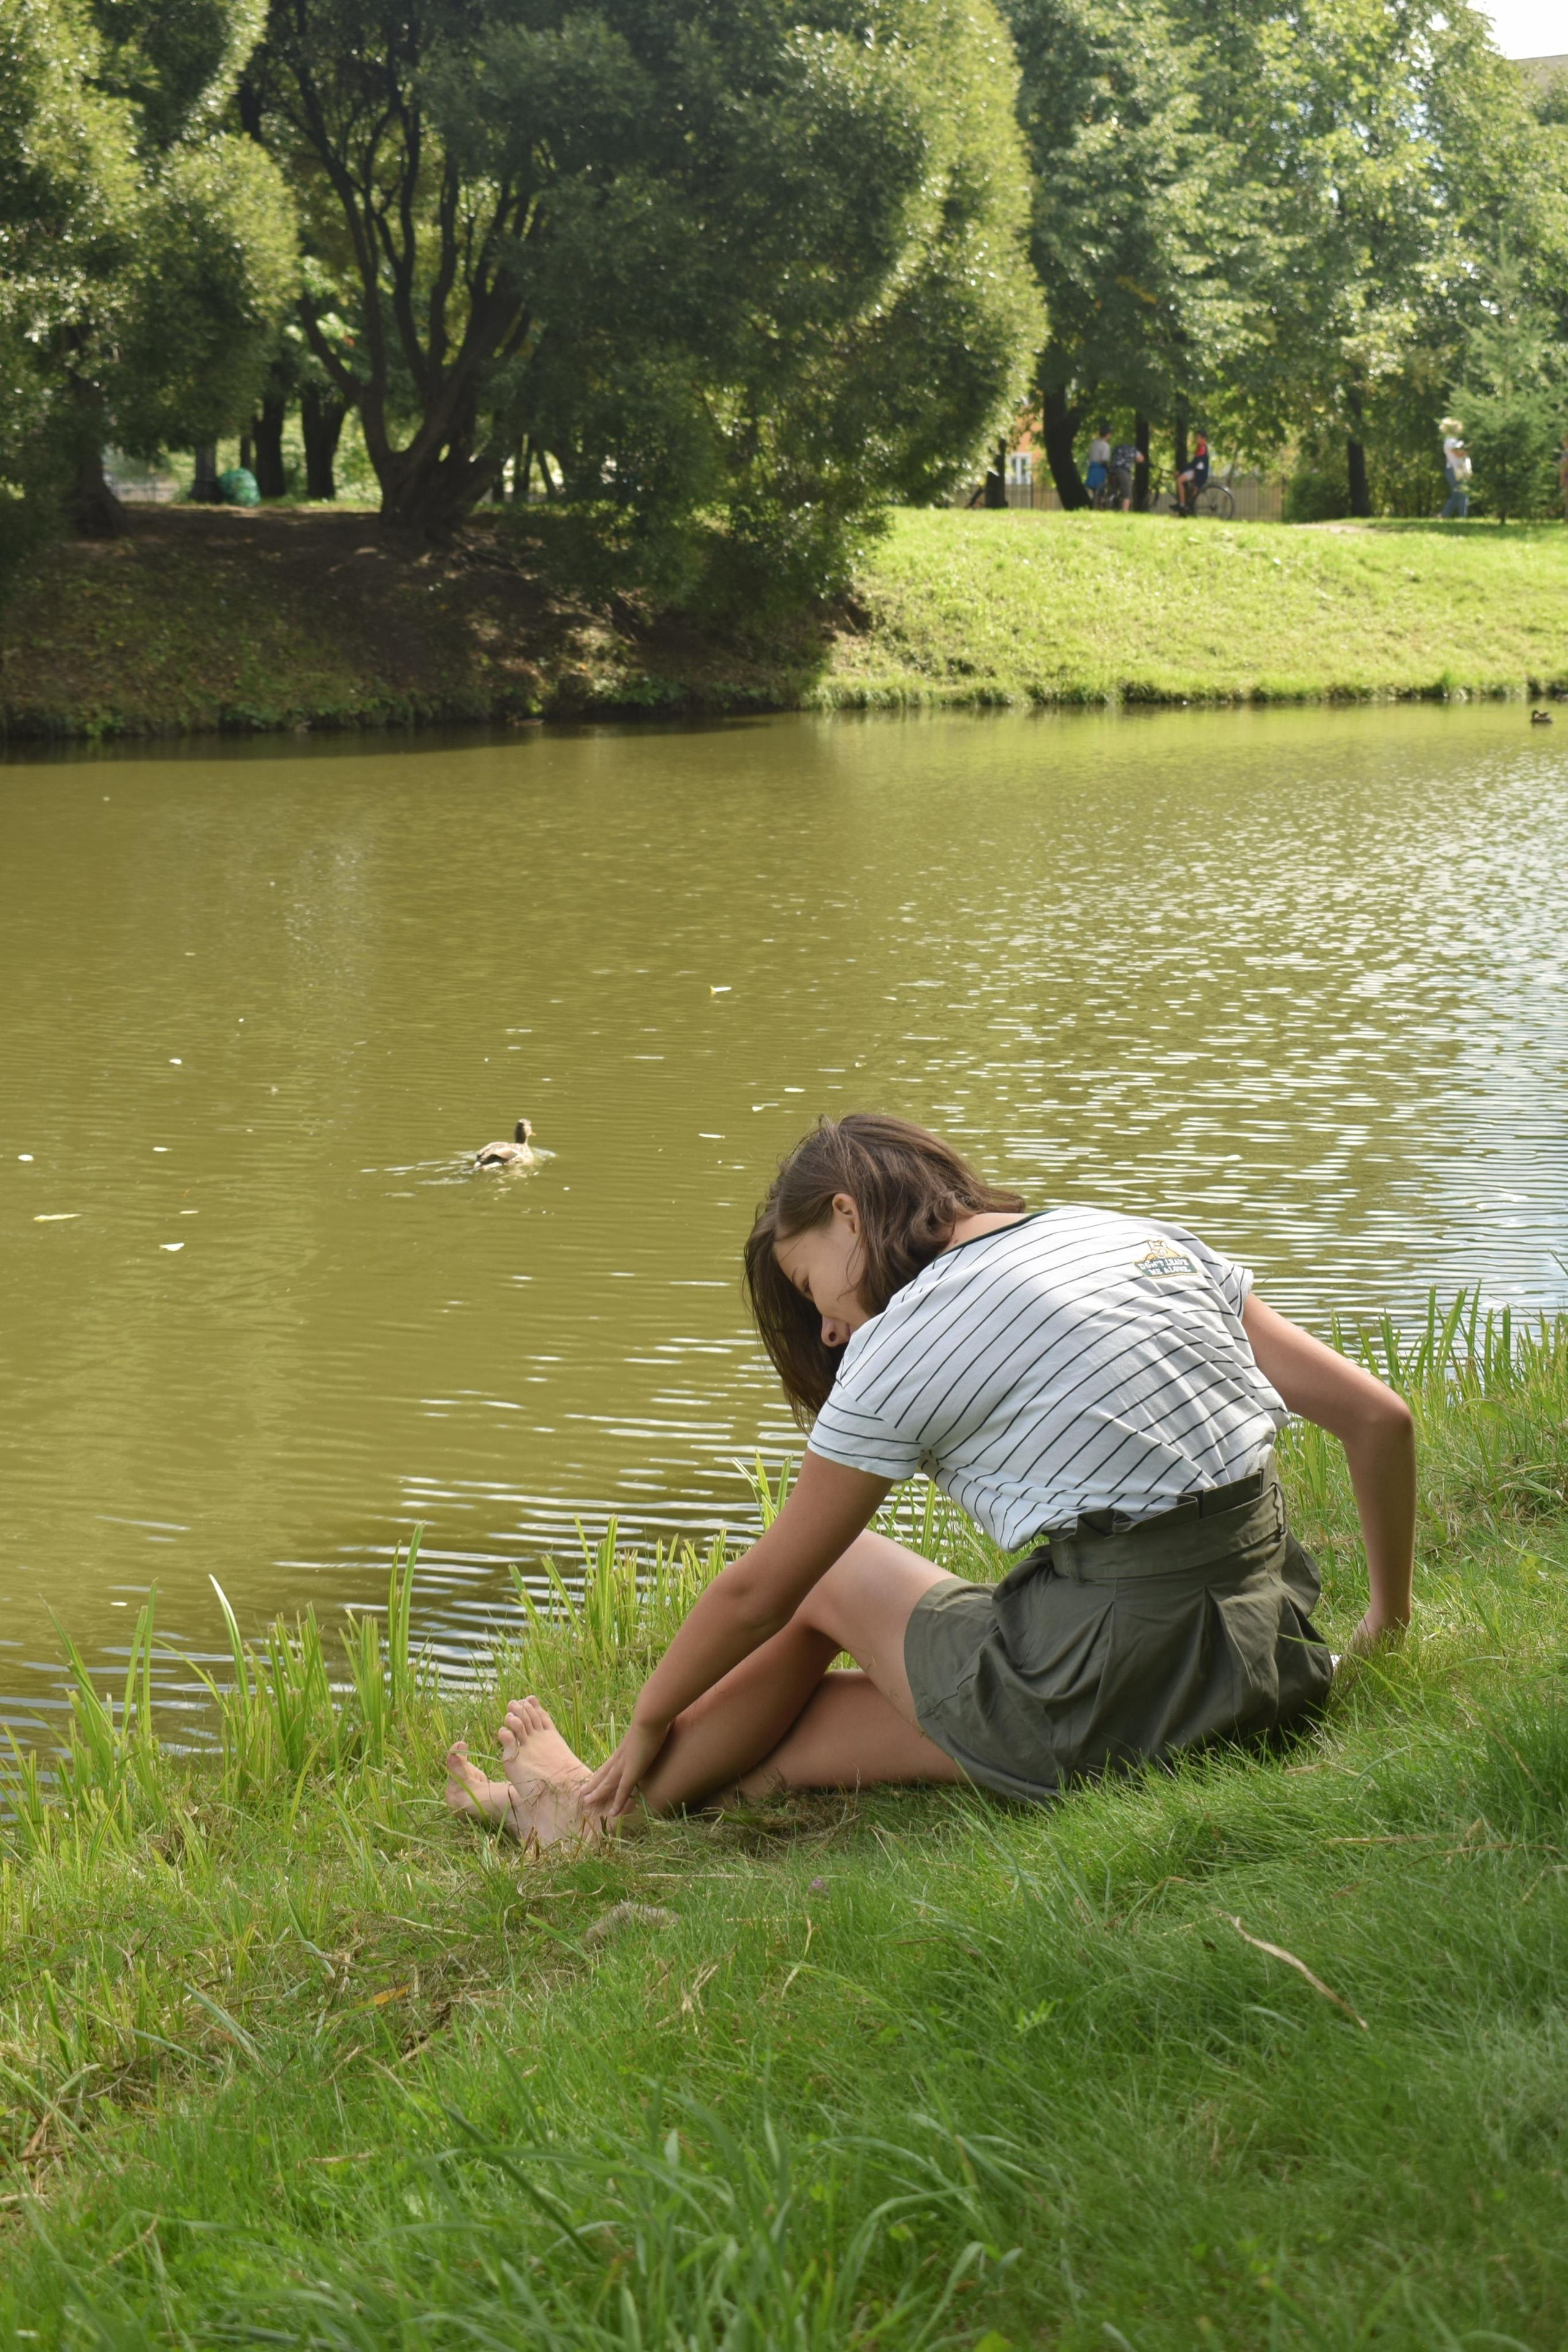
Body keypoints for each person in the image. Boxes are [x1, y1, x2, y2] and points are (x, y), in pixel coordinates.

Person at [444, 1115, 1415, 1844]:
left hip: (1121, 1685)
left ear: (847, 1216)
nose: (825, 1327)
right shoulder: (1132, 1237)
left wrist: (650, 1719)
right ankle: (556, 1810)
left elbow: (760, 1593)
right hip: (1269, 1672)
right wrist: (1384, 1625)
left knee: (830, 1571)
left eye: (808, 1286)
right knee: (795, 1728)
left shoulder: (908, 1335)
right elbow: (1381, 1419)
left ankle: (581, 1797)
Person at [1441, 420, 1470, 519]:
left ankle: (1444, 515)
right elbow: (1459, 454)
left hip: (1453, 470)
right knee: (1463, 494)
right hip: (1455, 470)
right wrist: (1469, 449)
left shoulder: (1451, 441)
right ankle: (1463, 517)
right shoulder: (1451, 442)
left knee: (1456, 495)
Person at [1175, 432, 1211, 514]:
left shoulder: (1202, 449)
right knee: (1193, 494)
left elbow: (1194, 463)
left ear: (1204, 439)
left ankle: (1182, 505)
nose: (1197, 439)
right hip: (1199, 473)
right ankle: (1188, 507)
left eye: (1198, 438)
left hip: (1198, 474)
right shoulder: (1201, 448)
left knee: (1179, 480)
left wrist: (1180, 471)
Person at [1108, 435, 1142, 511]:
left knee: (1112, 490)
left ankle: (1108, 505)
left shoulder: (1116, 448)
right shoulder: (1133, 450)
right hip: (1123, 471)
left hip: (1112, 470)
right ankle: (1125, 511)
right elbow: (1140, 459)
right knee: (1126, 493)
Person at [1085, 426, 1111, 505]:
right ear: (1108, 434)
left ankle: (1094, 504)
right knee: (1100, 489)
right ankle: (1099, 506)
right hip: (1099, 468)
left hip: (1092, 467)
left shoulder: (1094, 443)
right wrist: (1108, 470)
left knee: (1094, 489)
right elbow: (1104, 460)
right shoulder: (1105, 445)